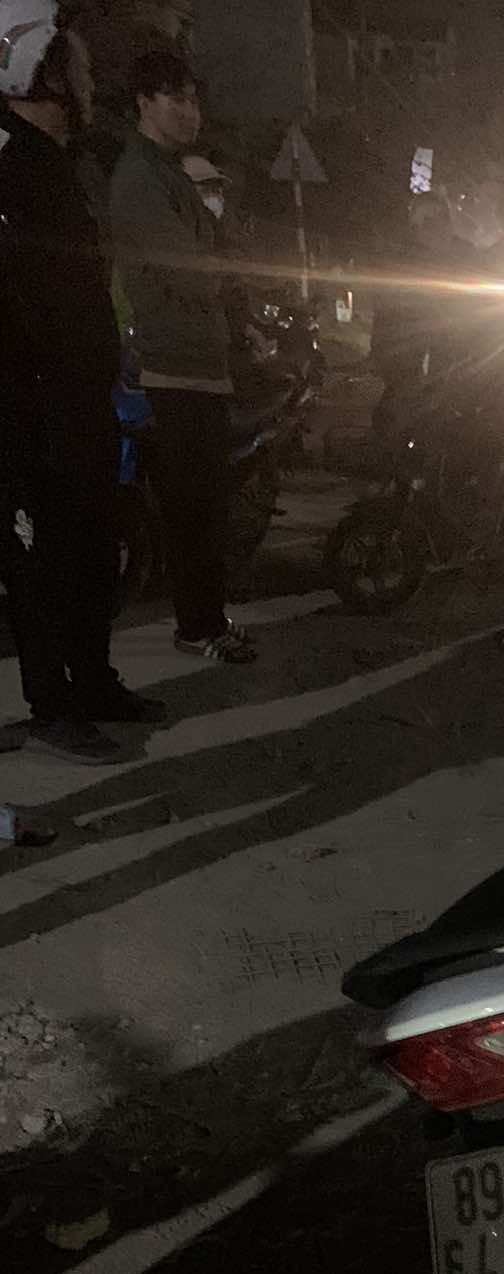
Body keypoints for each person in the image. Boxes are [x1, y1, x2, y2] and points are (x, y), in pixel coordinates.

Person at [0, 0, 165, 760]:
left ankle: (93, 682)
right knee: (42, 565)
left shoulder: (60, 166)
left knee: (93, 548)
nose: (92, 83)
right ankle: (52, 705)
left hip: (82, 398)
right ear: (43, 73)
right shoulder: (11, 170)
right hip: (31, 409)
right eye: (81, 70)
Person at [110, 46, 256, 665]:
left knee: (206, 507)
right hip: (174, 367)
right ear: (145, 103)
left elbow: (218, 251)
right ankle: (198, 627)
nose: (190, 112)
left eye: (194, 100)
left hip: (199, 364)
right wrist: (228, 273)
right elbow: (190, 269)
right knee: (192, 509)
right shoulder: (140, 179)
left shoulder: (170, 173)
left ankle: (208, 618)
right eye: (177, 99)